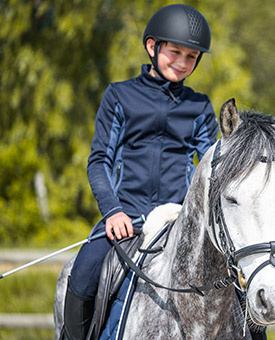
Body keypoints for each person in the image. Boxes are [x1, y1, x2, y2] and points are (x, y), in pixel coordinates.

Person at [62, 4, 220, 339]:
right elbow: (99, 161)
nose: (181, 62)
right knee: (83, 276)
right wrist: (113, 211)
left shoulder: (199, 106)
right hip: (126, 218)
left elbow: (210, 168)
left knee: (235, 286)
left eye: (191, 57)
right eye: (174, 52)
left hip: (177, 219)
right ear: (153, 47)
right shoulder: (120, 95)